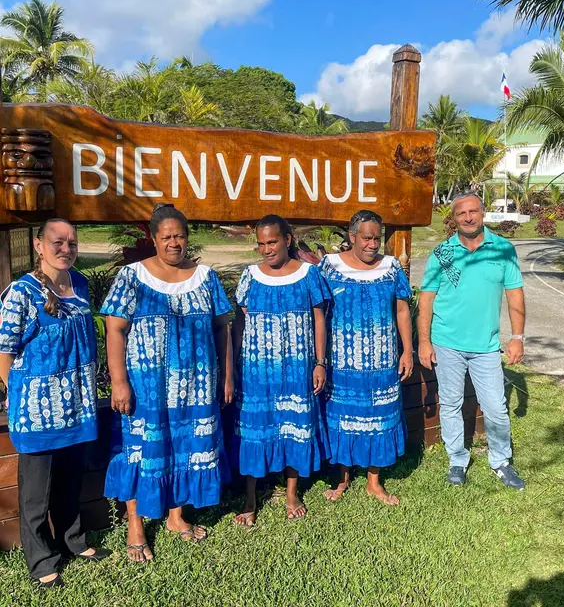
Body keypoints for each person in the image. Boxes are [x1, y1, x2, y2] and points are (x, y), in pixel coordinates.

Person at [101, 204, 233, 562]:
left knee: (185, 448)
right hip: (148, 387)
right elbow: (115, 330)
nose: (174, 243)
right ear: (154, 239)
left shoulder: (205, 277)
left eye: (180, 236)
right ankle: (136, 526)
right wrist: (118, 382)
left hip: (196, 385)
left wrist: (226, 375)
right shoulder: (132, 276)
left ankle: (177, 516)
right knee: (141, 451)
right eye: (167, 237)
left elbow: (223, 328)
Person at [0, 219, 110, 589]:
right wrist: (17, 396)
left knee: (69, 482)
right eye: (57, 242)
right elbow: (5, 352)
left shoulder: (78, 284)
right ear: (39, 245)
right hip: (38, 413)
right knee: (36, 493)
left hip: (77, 408)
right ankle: (41, 559)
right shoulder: (22, 292)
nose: (66, 249)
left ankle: (71, 541)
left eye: (72, 243)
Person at [418, 192, 526, 490]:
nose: (467, 217)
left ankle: (501, 461)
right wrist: (424, 342)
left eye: (473, 212)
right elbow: (426, 300)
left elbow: (514, 293)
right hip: (447, 342)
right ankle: (457, 459)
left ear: (482, 213)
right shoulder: (441, 253)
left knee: (495, 407)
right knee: (451, 403)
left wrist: (516, 337)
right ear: (453, 218)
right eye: (461, 213)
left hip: (487, 346)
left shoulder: (503, 249)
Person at [231, 215, 331, 525]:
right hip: (256, 370)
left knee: (293, 427)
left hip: (296, 368)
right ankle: (250, 496)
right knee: (254, 429)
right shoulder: (249, 276)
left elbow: (319, 320)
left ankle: (291, 492)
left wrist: (319, 362)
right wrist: (233, 366)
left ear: (287, 240)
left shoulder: (309, 275)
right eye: (260, 243)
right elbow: (240, 323)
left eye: (272, 242)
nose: (266, 249)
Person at [319, 210, 413, 505]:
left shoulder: (391, 267)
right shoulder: (329, 267)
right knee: (342, 421)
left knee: (380, 419)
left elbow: (401, 310)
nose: (373, 244)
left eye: (377, 238)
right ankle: (342, 478)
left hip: (382, 362)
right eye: (367, 238)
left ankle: (374, 482)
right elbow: (318, 312)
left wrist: (406, 350)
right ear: (352, 237)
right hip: (341, 364)